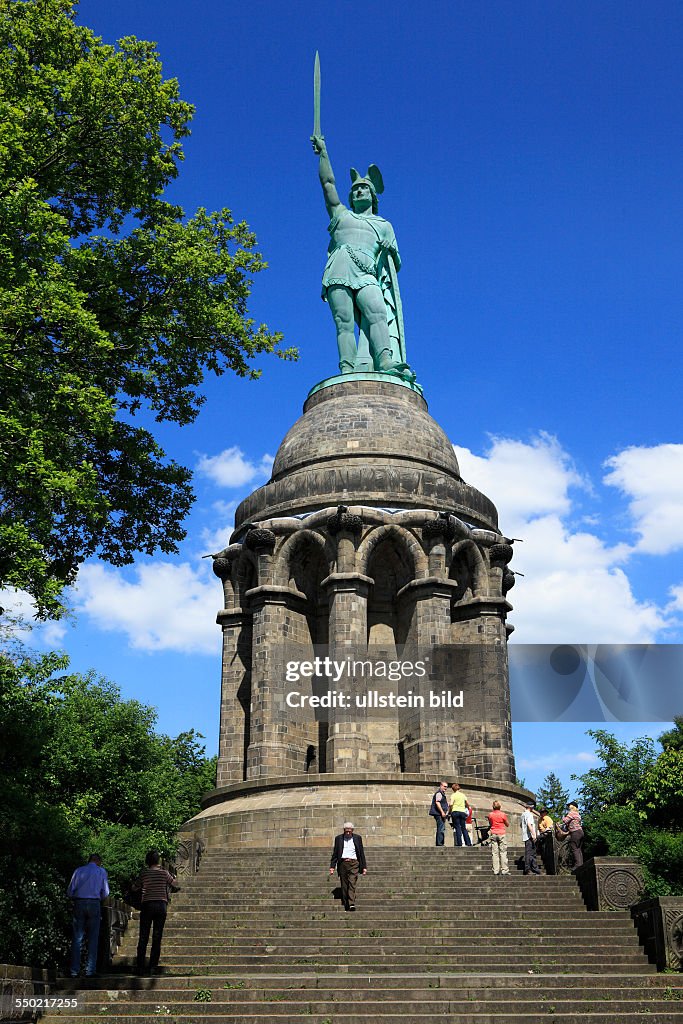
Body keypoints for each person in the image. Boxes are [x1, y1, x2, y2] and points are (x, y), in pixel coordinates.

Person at [311, 134, 414, 381]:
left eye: (363, 188)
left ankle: (385, 361)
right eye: (355, 189)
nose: (358, 192)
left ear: (372, 195)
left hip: (367, 274)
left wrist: (390, 250)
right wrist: (323, 153)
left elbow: (396, 264)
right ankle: (347, 368)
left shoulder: (384, 225)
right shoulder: (341, 215)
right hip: (339, 268)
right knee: (343, 321)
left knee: (378, 313)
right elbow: (328, 184)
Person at [133, 850, 180, 975]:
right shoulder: (164, 873)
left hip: (147, 905)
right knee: (157, 936)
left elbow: (134, 887)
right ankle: (153, 966)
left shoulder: (144, 873)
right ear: (158, 860)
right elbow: (175, 884)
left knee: (143, 936)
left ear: (147, 861)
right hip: (160, 905)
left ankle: (140, 966)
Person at [67, 853, 110, 978]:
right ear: (98, 861)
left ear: (89, 860)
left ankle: (74, 970)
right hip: (94, 903)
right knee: (93, 938)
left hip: (79, 902)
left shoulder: (79, 871)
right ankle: (90, 970)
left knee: (77, 938)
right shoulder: (101, 871)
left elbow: (70, 891)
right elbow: (105, 892)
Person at [330, 822, 367, 911]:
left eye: (349, 831)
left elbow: (361, 853)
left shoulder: (357, 838)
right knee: (344, 884)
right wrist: (332, 866)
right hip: (343, 863)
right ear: (344, 830)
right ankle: (346, 902)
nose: (347, 833)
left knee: (352, 882)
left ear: (352, 830)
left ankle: (351, 904)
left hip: (354, 863)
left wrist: (364, 867)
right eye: (346, 831)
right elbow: (335, 853)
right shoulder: (338, 838)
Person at [486, 801, 509, 876]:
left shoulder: (490, 814)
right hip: (501, 833)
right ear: (500, 807)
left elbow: (490, 823)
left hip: (493, 833)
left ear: (493, 807)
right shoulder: (503, 814)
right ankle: (504, 870)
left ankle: (496, 870)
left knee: (495, 853)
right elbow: (507, 824)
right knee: (503, 852)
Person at [448, 783, 472, 847]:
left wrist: (449, 811)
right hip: (462, 812)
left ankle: (459, 843)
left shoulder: (453, 795)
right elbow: (467, 804)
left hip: (455, 812)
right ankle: (468, 843)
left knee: (457, 827)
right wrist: (466, 808)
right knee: (463, 828)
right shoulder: (463, 795)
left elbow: (451, 804)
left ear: (453, 789)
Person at [562, 802, 584, 869]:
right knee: (578, 849)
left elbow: (565, 820)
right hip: (580, 832)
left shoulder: (571, 813)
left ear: (573, 806)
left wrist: (563, 817)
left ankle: (578, 865)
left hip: (575, 832)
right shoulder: (578, 814)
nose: (568, 806)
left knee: (574, 848)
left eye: (569, 805)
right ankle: (581, 865)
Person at [521, 802, 542, 875]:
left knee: (532, 853)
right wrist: (533, 834)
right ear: (531, 807)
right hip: (529, 836)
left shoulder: (523, 814)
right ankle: (528, 869)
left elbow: (521, 825)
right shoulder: (529, 814)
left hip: (526, 836)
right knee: (529, 853)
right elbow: (529, 825)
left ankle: (535, 868)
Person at [429, 781, 450, 847]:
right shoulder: (439, 793)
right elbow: (437, 803)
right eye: (444, 786)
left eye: (446, 787)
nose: (446, 788)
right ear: (441, 786)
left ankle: (440, 843)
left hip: (441, 814)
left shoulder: (442, 794)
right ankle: (440, 844)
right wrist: (442, 812)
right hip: (439, 814)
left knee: (441, 828)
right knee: (441, 828)